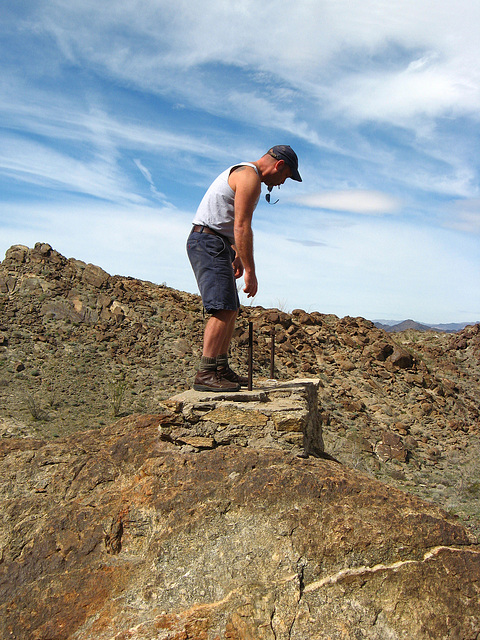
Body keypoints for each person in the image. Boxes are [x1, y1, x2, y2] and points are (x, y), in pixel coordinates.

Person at [187, 145, 302, 392]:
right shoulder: (249, 177)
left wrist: (237, 254)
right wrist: (250, 270)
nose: (281, 184)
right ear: (279, 165)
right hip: (208, 241)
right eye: (286, 177)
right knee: (222, 307)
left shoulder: (248, 175)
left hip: (216, 242)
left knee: (231, 308)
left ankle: (220, 367)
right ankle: (206, 372)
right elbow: (241, 226)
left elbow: (232, 224)